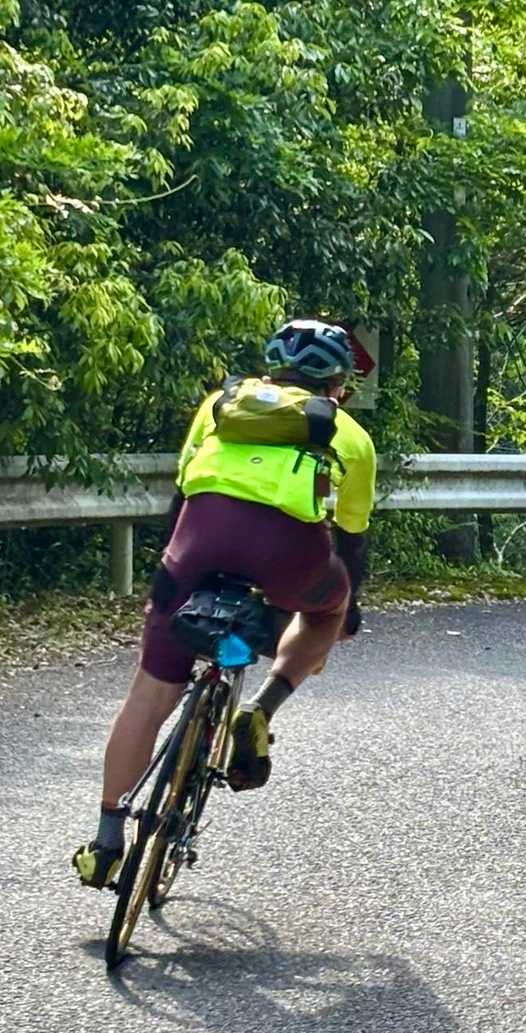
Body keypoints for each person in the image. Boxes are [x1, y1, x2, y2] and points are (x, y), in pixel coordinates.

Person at [72, 318, 376, 889]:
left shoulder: (220, 404)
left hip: (197, 544)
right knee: (328, 612)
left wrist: (170, 567)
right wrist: (349, 603)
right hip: (289, 555)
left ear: (271, 369)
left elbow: (184, 490)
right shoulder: (350, 434)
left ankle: (106, 843)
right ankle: (260, 709)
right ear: (338, 384)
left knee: (148, 695)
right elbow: (352, 536)